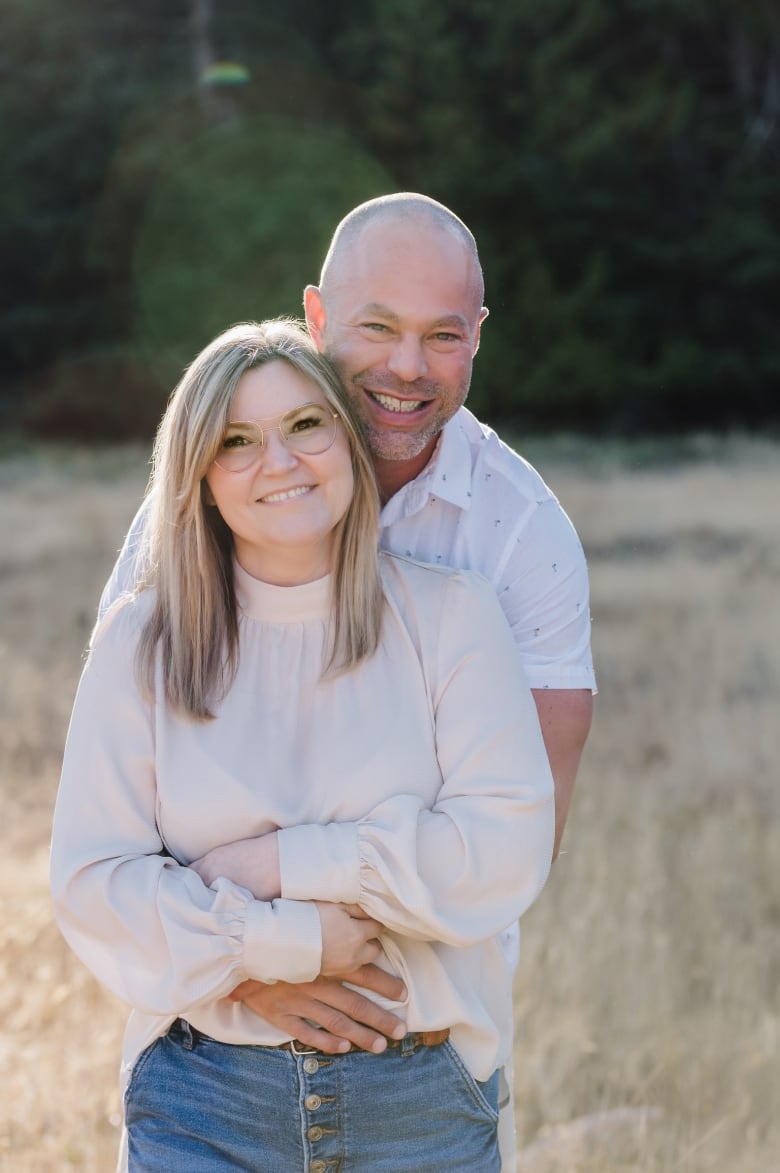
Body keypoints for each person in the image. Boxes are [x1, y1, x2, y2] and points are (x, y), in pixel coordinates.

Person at [99, 192, 596, 1158]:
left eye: (441, 335)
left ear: (478, 339)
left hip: (418, 1059)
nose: (408, 367)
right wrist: (253, 964)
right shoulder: (194, 512)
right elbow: (123, 825)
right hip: (209, 1056)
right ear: (316, 317)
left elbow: (515, 844)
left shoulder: (518, 542)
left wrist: (267, 874)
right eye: (377, 327)